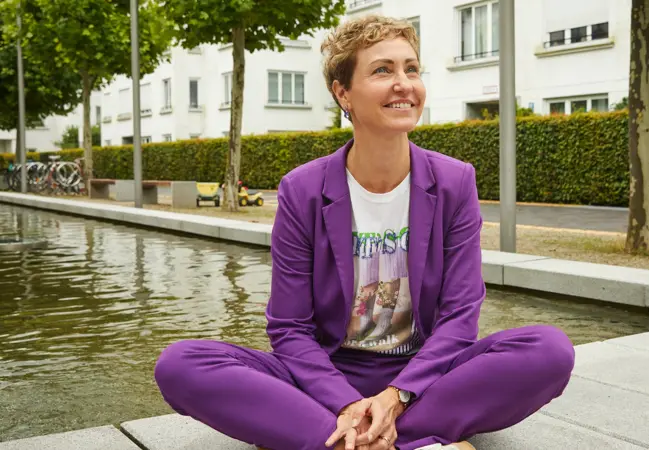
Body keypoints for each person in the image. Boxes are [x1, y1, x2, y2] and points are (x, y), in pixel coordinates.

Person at [153, 14, 575, 450]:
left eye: (411, 68)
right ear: (343, 93)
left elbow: (459, 317)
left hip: (423, 375)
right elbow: (289, 327)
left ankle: (341, 441)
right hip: (328, 374)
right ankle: (406, 438)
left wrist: (396, 395)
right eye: (382, 70)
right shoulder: (302, 189)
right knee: (181, 364)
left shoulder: (454, 181)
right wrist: (343, 402)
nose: (404, 83)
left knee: (548, 350)